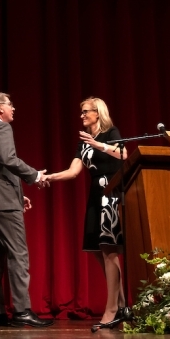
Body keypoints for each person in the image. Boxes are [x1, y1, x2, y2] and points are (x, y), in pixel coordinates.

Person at [0, 92, 54, 328]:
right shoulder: (1, 129)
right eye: (10, 105)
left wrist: (19, 195)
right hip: (3, 202)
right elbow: (9, 160)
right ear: (0, 107)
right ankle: (21, 312)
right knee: (18, 254)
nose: (13, 109)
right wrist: (35, 175)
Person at [47, 97, 127, 325]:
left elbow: (123, 154)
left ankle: (111, 310)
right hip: (95, 196)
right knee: (95, 249)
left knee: (109, 250)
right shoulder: (83, 142)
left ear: (97, 113)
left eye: (85, 112)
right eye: (81, 112)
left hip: (111, 193)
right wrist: (47, 177)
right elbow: (73, 171)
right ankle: (121, 304)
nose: (81, 116)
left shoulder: (111, 132)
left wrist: (98, 144)